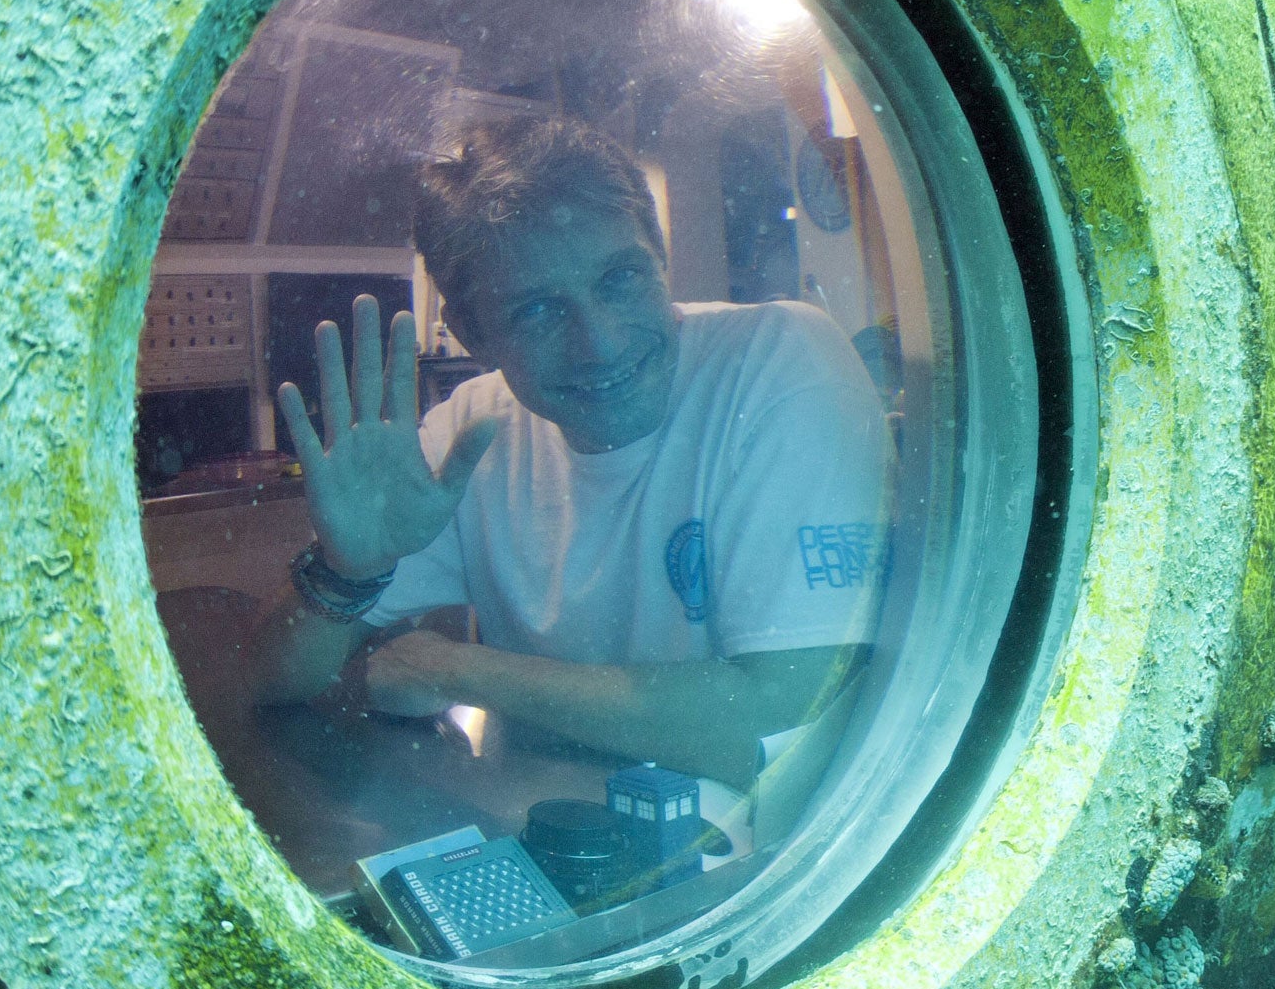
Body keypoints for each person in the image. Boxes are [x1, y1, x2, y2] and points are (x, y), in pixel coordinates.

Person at [251, 118, 892, 789]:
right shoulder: (474, 429)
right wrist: (344, 572)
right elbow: (272, 681)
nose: (601, 341)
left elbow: (785, 718)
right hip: (542, 834)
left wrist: (458, 669)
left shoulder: (780, 361)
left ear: (660, 258)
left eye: (620, 279)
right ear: (473, 334)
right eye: (539, 311)